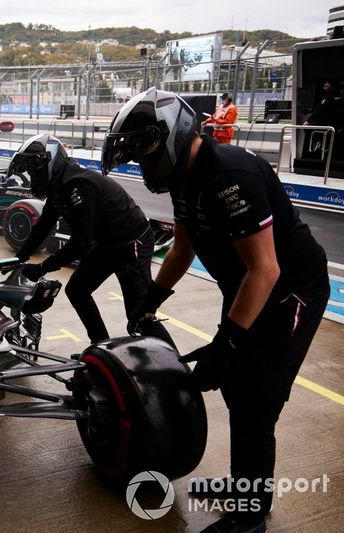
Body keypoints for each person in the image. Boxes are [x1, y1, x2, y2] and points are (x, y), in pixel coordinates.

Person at [106, 88, 329, 533]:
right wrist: (151, 299)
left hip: (288, 293)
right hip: (246, 286)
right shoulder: (184, 179)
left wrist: (227, 344)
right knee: (234, 390)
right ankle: (248, 486)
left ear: (170, 135)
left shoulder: (230, 174)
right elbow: (183, 248)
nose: (144, 165)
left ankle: (250, 519)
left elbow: (265, 269)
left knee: (255, 404)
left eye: (144, 153)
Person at [10, 133, 174, 346]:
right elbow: (43, 226)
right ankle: (101, 346)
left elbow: (81, 242)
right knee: (76, 290)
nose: (34, 176)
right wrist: (19, 257)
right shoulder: (59, 187)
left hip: (132, 243)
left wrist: (42, 268)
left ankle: (178, 371)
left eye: (34, 170)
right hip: (108, 243)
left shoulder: (79, 184)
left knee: (139, 317)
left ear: (50, 161)